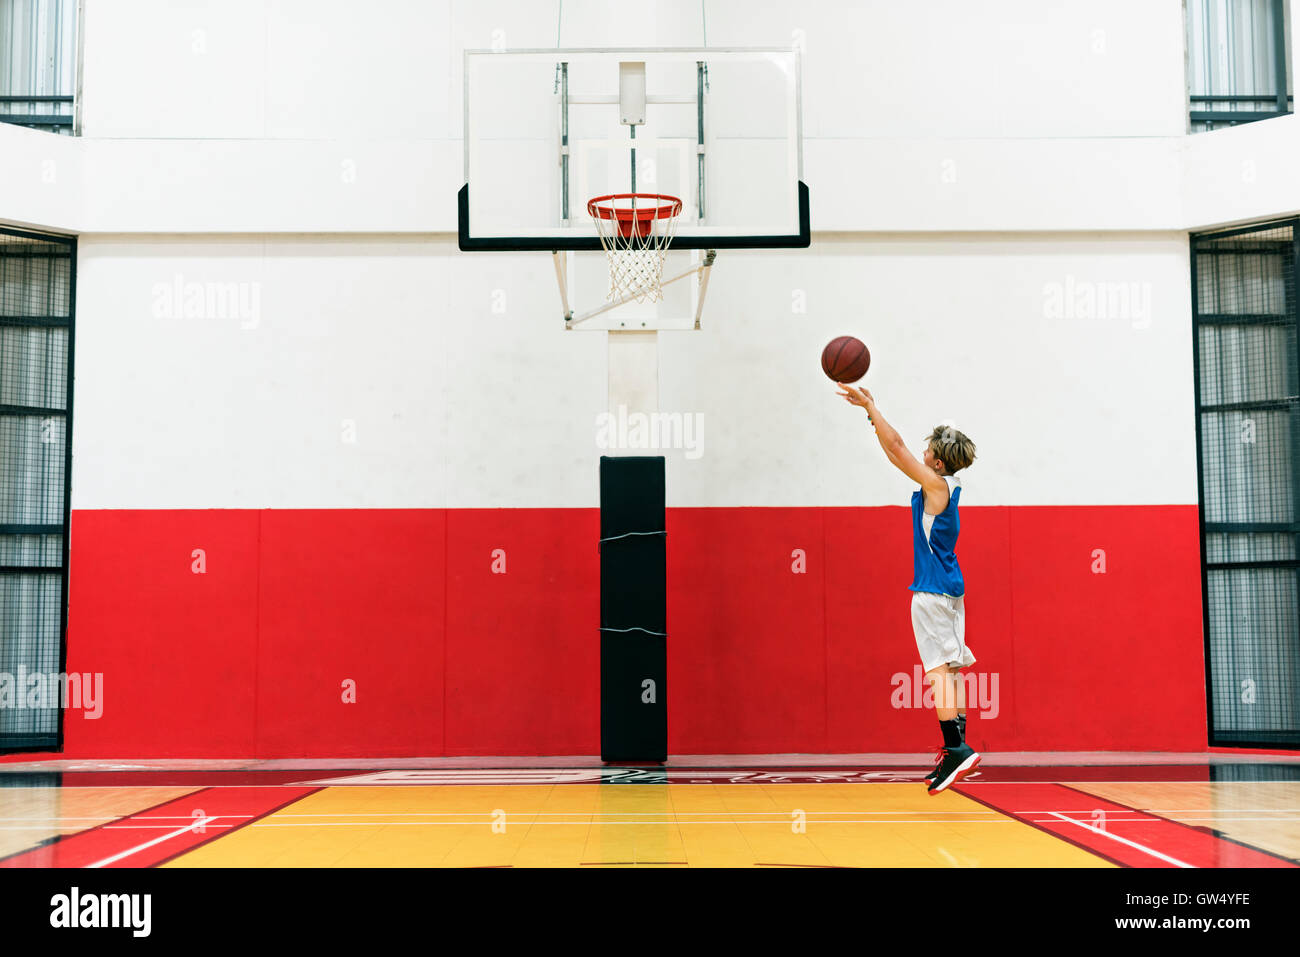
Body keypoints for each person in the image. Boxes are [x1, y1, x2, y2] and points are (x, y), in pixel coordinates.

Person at [838, 383, 980, 794]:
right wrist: (872, 419)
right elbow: (894, 452)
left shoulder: (936, 487)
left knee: (937, 670)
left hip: (933, 593)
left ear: (936, 460)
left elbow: (897, 447)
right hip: (950, 591)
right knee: (951, 670)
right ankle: (958, 748)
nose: (921, 453)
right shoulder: (945, 486)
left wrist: (871, 407)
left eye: (928, 450)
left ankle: (956, 749)